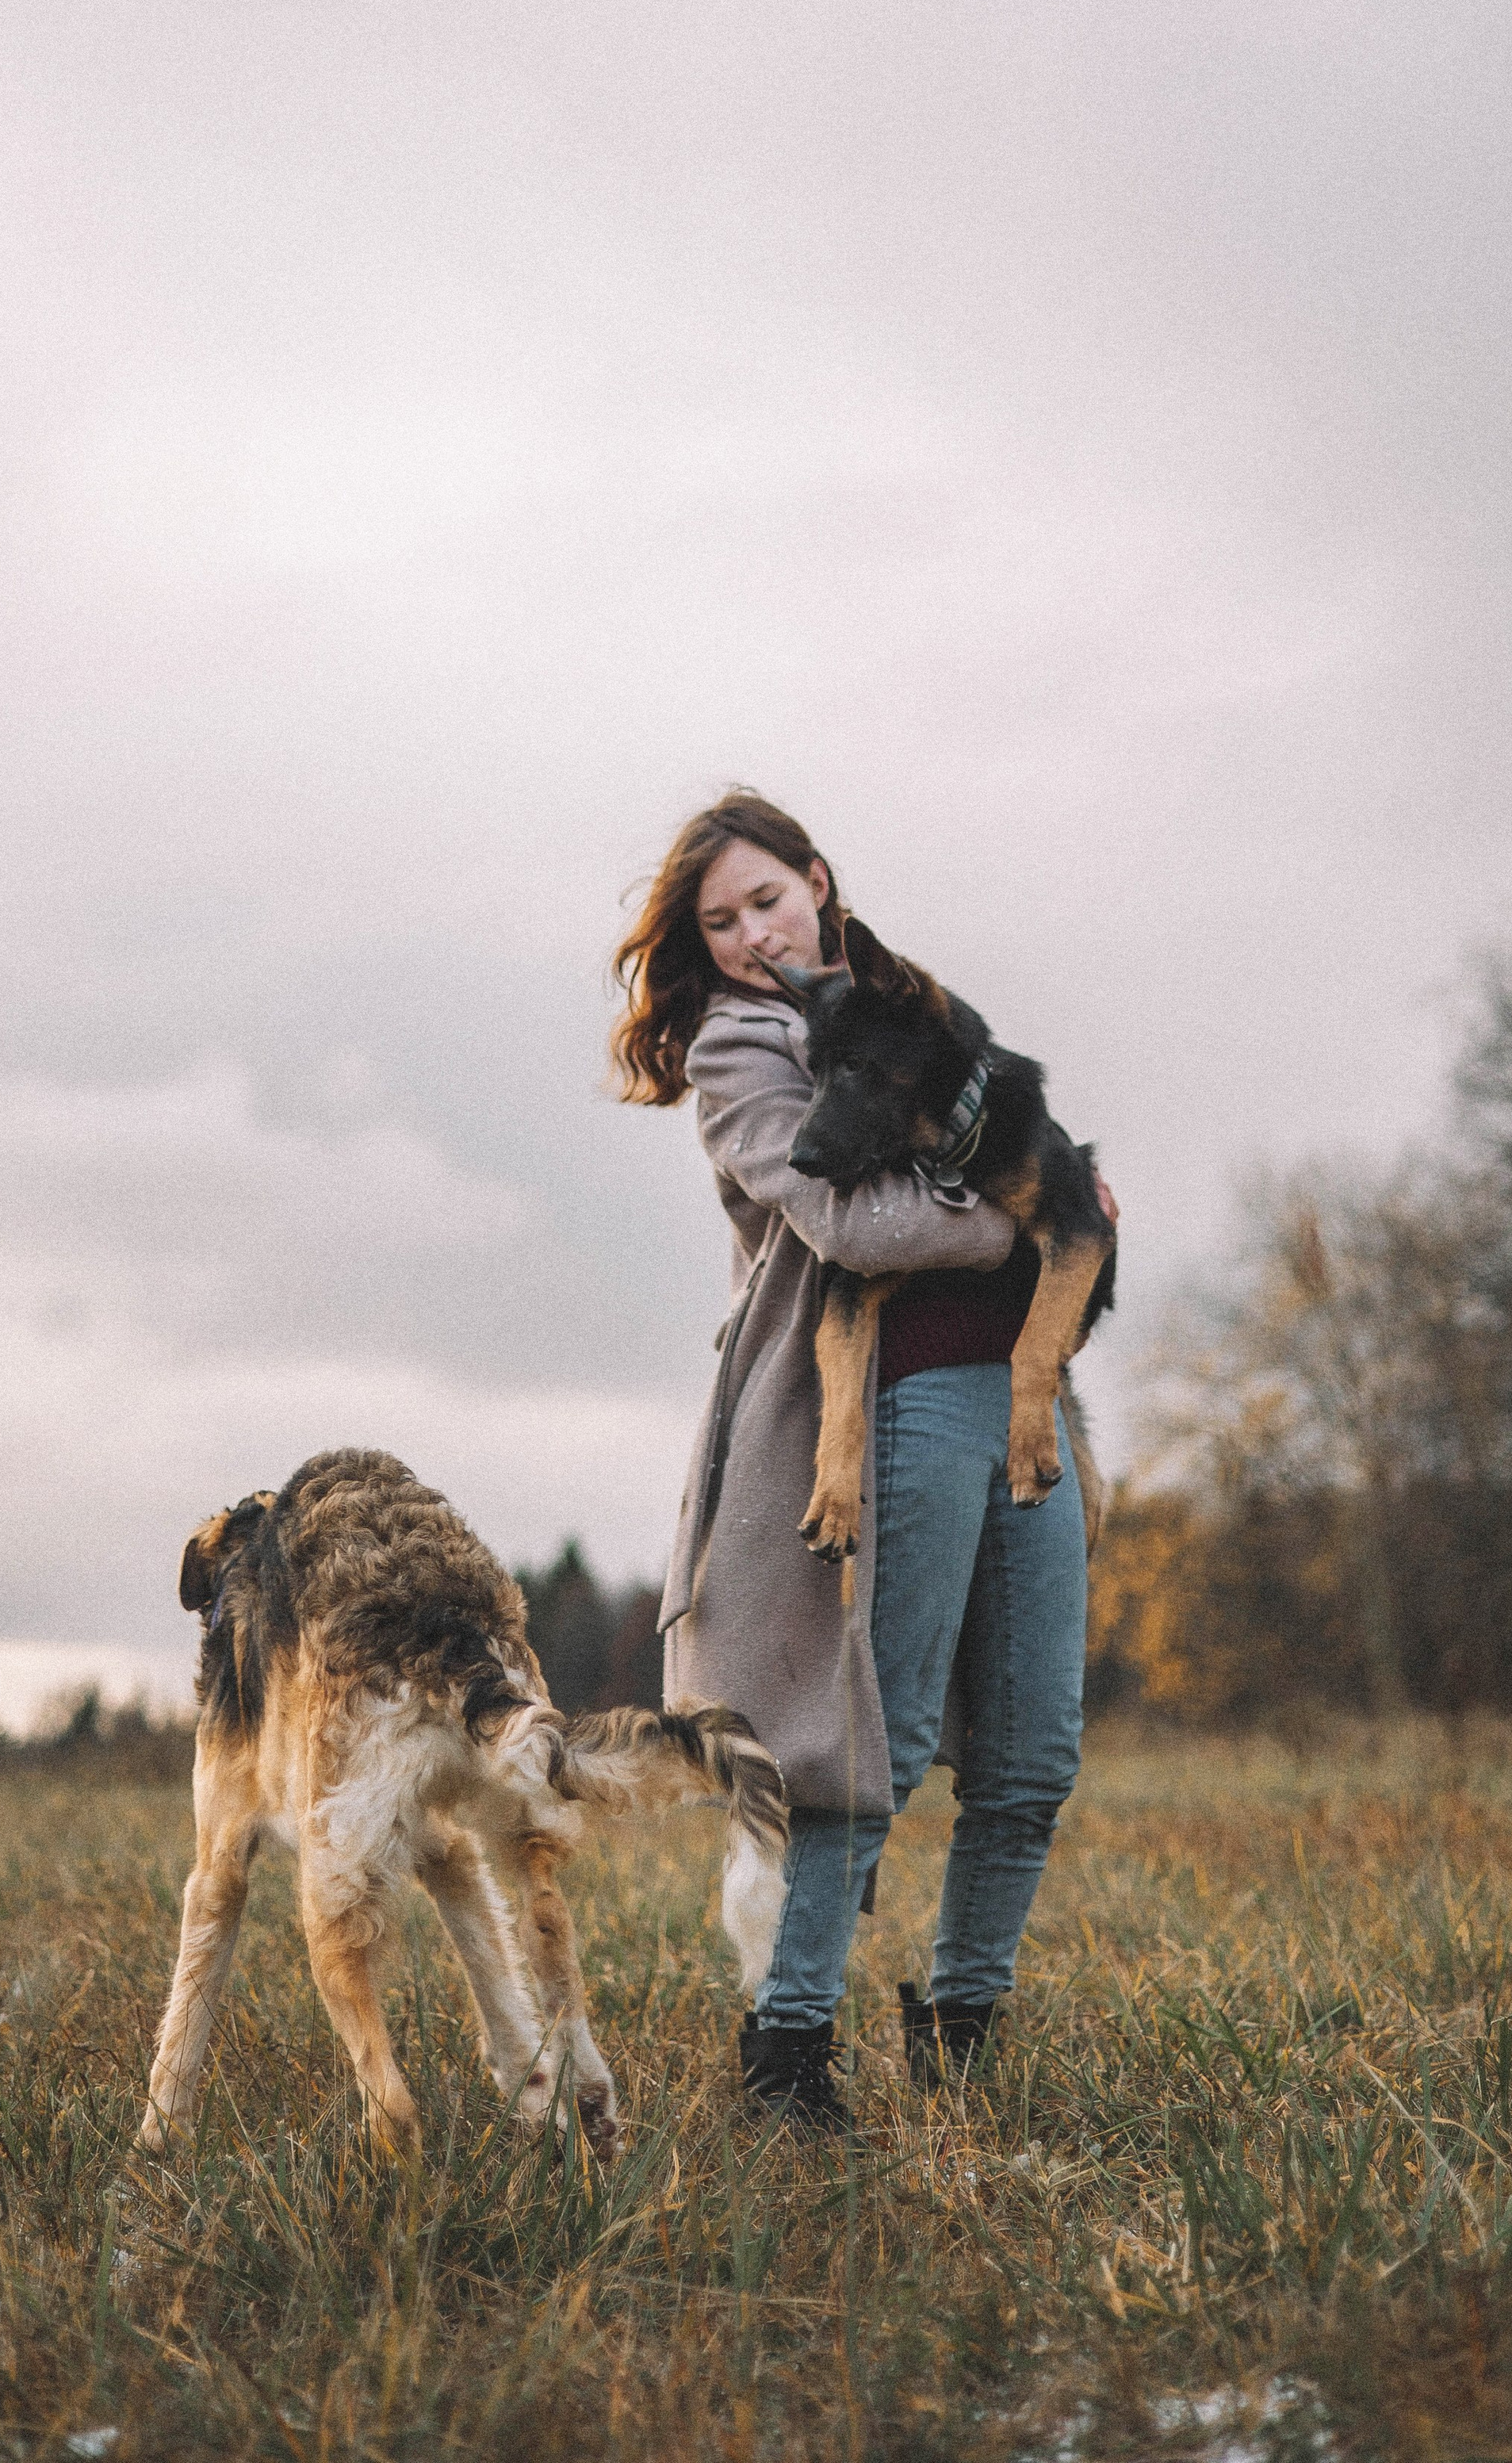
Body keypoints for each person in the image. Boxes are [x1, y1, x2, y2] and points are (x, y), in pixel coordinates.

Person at [611, 789, 1111, 2132]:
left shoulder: (897, 1011)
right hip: (893, 1400)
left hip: (1025, 1400)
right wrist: (1036, 1217)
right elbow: (861, 1229)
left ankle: (962, 2026)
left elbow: (1016, 1148)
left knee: (1031, 1756)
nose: (752, 935)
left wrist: (1052, 1206)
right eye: (719, 922)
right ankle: (787, 2054)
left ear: (819, 882)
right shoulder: (736, 1048)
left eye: (766, 899)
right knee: (861, 1745)